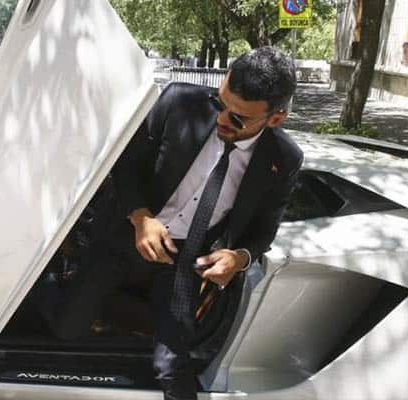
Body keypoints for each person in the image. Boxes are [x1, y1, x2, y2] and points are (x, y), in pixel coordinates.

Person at [40, 46, 303, 400]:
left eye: (238, 118)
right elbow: (124, 165)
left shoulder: (284, 159)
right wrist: (140, 217)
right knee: (68, 329)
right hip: (125, 236)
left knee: (174, 367)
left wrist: (239, 257)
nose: (222, 118)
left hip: (184, 262)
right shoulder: (180, 103)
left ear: (275, 119)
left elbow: (264, 229)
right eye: (220, 102)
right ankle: (49, 281)